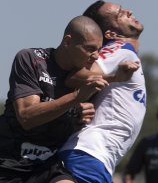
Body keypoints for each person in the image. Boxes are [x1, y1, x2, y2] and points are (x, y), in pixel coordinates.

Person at [0, 15, 109, 183]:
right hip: (8, 163)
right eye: (89, 48)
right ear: (67, 41)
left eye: (99, 50)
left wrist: (79, 121)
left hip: (47, 166)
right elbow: (27, 117)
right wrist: (76, 97)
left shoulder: (85, 79)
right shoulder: (31, 59)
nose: (95, 56)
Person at [59, 0, 146, 183]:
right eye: (120, 14)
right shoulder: (120, 49)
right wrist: (114, 76)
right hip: (89, 154)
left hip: (93, 157)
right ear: (111, 34)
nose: (129, 12)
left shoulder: (126, 53)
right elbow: (76, 76)